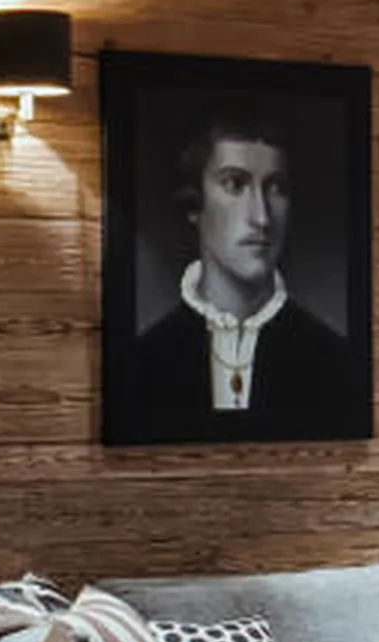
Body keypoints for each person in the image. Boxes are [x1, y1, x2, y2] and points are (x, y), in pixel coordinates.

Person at [110, 116, 361, 439]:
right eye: (234, 184)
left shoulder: (335, 363)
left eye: (277, 188)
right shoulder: (140, 361)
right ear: (194, 204)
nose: (261, 217)